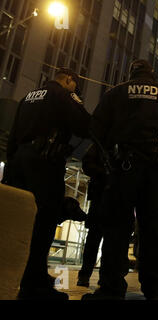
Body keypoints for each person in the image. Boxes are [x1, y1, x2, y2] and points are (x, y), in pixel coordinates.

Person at [82, 59, 158, 300]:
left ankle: (111, 288)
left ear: (131, 74)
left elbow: (95, 129)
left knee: (117, 229)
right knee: (152, 230)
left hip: (123, 168)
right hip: (156, 171)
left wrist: (109, 158)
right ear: (152, 75)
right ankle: (153, 290)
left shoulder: (116, 93)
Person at [4, 68, 90, 300]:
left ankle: (18, 274)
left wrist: (11, 168)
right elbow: (84, 125)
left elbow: (13, 136)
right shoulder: (61, 95)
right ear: (69, 80)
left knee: (20, 222)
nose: (74, 90)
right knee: (43, 221)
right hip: (44, 162)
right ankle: (35, 284)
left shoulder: (29, 96)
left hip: (20, 161)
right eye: (75, 86)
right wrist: (77, 102)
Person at [76, 144, 105, 287]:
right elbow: (87, 164)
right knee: (94, 240)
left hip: (115, 198)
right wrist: (105, 173)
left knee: (110, 242)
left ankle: (105, 278)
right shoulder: (102, 144)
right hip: (101, 197)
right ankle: (85, 275)